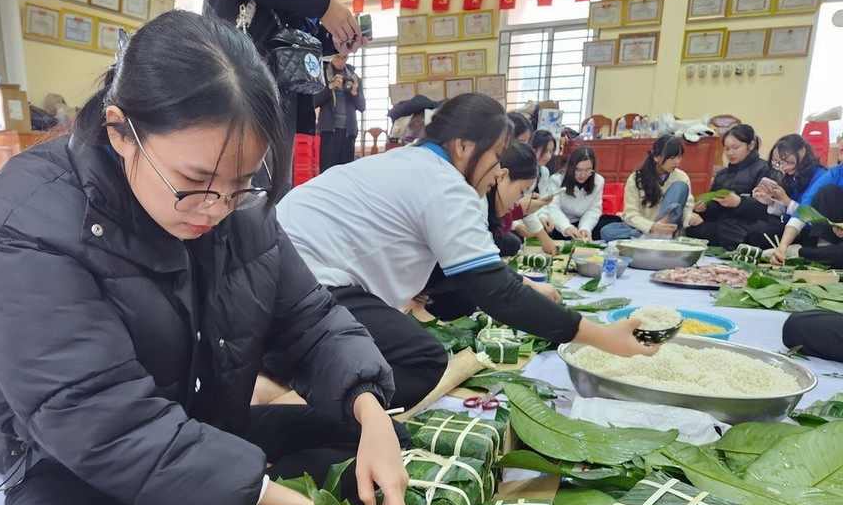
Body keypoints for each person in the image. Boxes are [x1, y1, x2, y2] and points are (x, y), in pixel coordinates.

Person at [0, 12, 409, 505]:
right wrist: (266, 495)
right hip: (84, 461)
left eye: (242, 184)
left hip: (207, 426)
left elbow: (309, 320)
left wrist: (370, 409)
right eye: (195, 181)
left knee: (374, 439)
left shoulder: (237, 207)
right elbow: (97, 419)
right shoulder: (32, 217)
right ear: (120, 131)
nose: (217, 208)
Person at [276, 93, 657, 408]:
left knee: (398, 346)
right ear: (462, 146)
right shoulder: (445, 184)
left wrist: (520, 288)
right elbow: (495, 293)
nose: (496, 172)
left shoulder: (410, 163)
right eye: (495, 158)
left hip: (281, 272)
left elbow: (457, 284)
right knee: (420, 359)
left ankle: (283, 384)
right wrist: (604, 337)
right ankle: (296, 409)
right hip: (300, 283)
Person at [204, 0, 364, 191]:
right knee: (241, 185)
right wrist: (323, 4)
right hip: (241, 80)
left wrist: (332, 40)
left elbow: (289, 29)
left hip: (281, 87)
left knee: (272, 187)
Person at [425, 139, 540, 319]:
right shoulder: (475, 199)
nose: (519, 201)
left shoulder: (483, 202)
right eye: (521, 191)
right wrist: (528, 286)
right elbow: (481, 263)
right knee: (466, 298)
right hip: (419, 278)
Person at [685, 124, 775, 249]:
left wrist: (739, 202)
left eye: (735, 147)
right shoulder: (722, 174)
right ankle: (734, 243)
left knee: (730, 229)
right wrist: (704, 209)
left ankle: (742, 244)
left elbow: (766, 208)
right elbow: (715, 210)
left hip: (749, 224)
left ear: (751, 145)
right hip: (726, 225)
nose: (730, 153)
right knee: (692, 228)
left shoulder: (764, 169)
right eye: (726, 149)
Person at [744, 134, 828, 264]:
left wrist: (784, 198)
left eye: (785, 161)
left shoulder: (819, 176)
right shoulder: (792, 176)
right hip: (791, 227)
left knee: (760, 231)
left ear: (802, 152)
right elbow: (788, 211)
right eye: (777, 162)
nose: (782, 166)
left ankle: (787, 251)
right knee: (755, 229)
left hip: (809, 232)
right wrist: (771, 202)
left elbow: (808, 215)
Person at [600, 135, 697, 241]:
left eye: (679, 157)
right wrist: (652, 226)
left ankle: (656, 236)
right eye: (672, 158)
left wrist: (690, 218)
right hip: (645, 227)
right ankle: (650, 236)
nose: (677, 162)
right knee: (607, 231)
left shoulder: (681, 177)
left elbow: (687, 207)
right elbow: (630, 213)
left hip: (669, 228)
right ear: (656, 157)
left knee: (680, 186)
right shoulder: (637, 177)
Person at [538, 146, 604, 241]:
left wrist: (585, 228)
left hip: (582, 222)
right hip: (560, 224)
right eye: (578, 170)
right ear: (571, 167)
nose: (583, 175)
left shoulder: (598, 181)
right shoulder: (556, 180)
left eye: (588, 170)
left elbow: (594, 209)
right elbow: (553, 208)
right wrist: (566, 227)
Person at [316, 52, 365, 171]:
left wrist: (355, 92)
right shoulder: (322, 74)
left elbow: (362, 107)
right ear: (332, 56)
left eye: (344, 58)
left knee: (346, 171)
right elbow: (315, 101)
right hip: (329, 130)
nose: (341, 61)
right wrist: (330, 87)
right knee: (328, 170)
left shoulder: (354, 77)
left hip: (349, 132)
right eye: (338, 57)